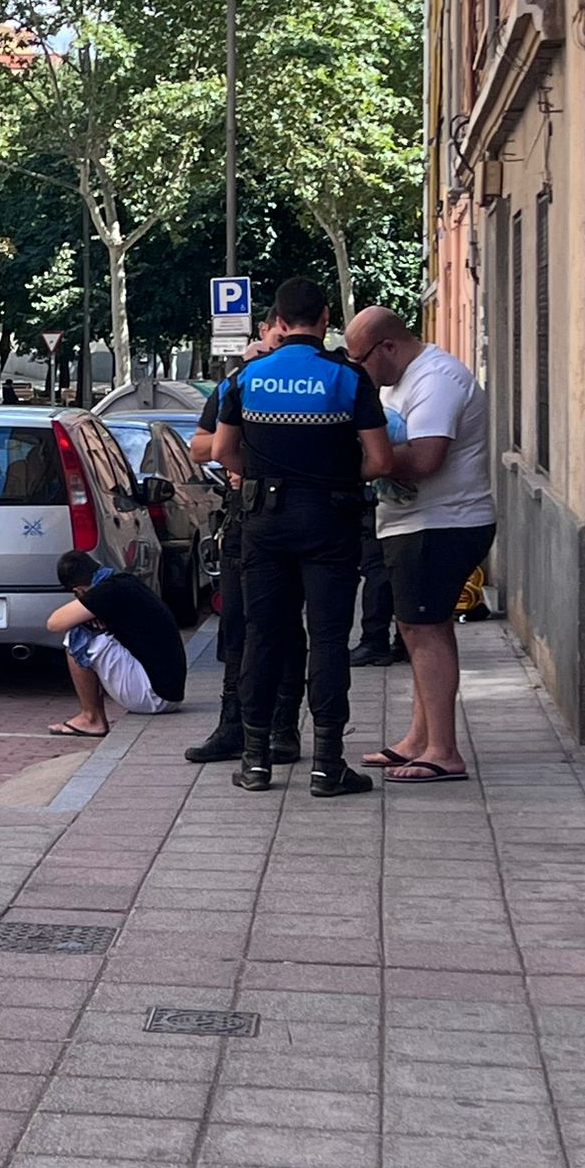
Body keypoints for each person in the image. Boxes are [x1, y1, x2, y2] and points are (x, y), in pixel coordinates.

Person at [213, 277, 393, 796]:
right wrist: (336, 477)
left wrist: (264, 474)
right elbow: (379, 461)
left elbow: (222, 451)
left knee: (264, 637)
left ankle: (255, 761)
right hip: (329, 523)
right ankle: (328, 764)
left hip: (263, 523)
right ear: (326, 317)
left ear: (279, 320)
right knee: (330, 639)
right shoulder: (348, 378)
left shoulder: (246, 378)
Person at [343, 307, 497, 784]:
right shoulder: (397, 380)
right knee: (418, 629)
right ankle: (419, 738)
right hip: (415, 523)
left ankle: (444, 751)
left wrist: (360, 466)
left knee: (423, 630)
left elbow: (427, 457)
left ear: (387, 346)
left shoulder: (436, 378)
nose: (359, 371)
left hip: (442, 524)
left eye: (361, 360)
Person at [184, 316, 307, 766]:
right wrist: (240, 445)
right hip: (242, 517)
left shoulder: (308, 383)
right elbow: (200, 447)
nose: (281, 349)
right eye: (277, 338)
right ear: (264, 331)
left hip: (287, 518)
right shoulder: (240, 381)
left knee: (285, 626)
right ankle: (232, 724)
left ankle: (283, 726)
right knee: (236, 624)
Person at [44, 549, 187, 737]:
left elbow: (54, 623)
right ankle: (92, 716)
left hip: (153, 697)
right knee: (88, 629)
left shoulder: (106, 592)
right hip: (169, 692)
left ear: (78, 590)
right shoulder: (123, 581)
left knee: (76, 636)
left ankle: (91, 718)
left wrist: (85, 615)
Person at [351, 495, 401, 667]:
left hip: (382, 508)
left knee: (377, 571)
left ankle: (374, 642)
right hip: (399, 512)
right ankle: (401, 642)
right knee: (393, 572)